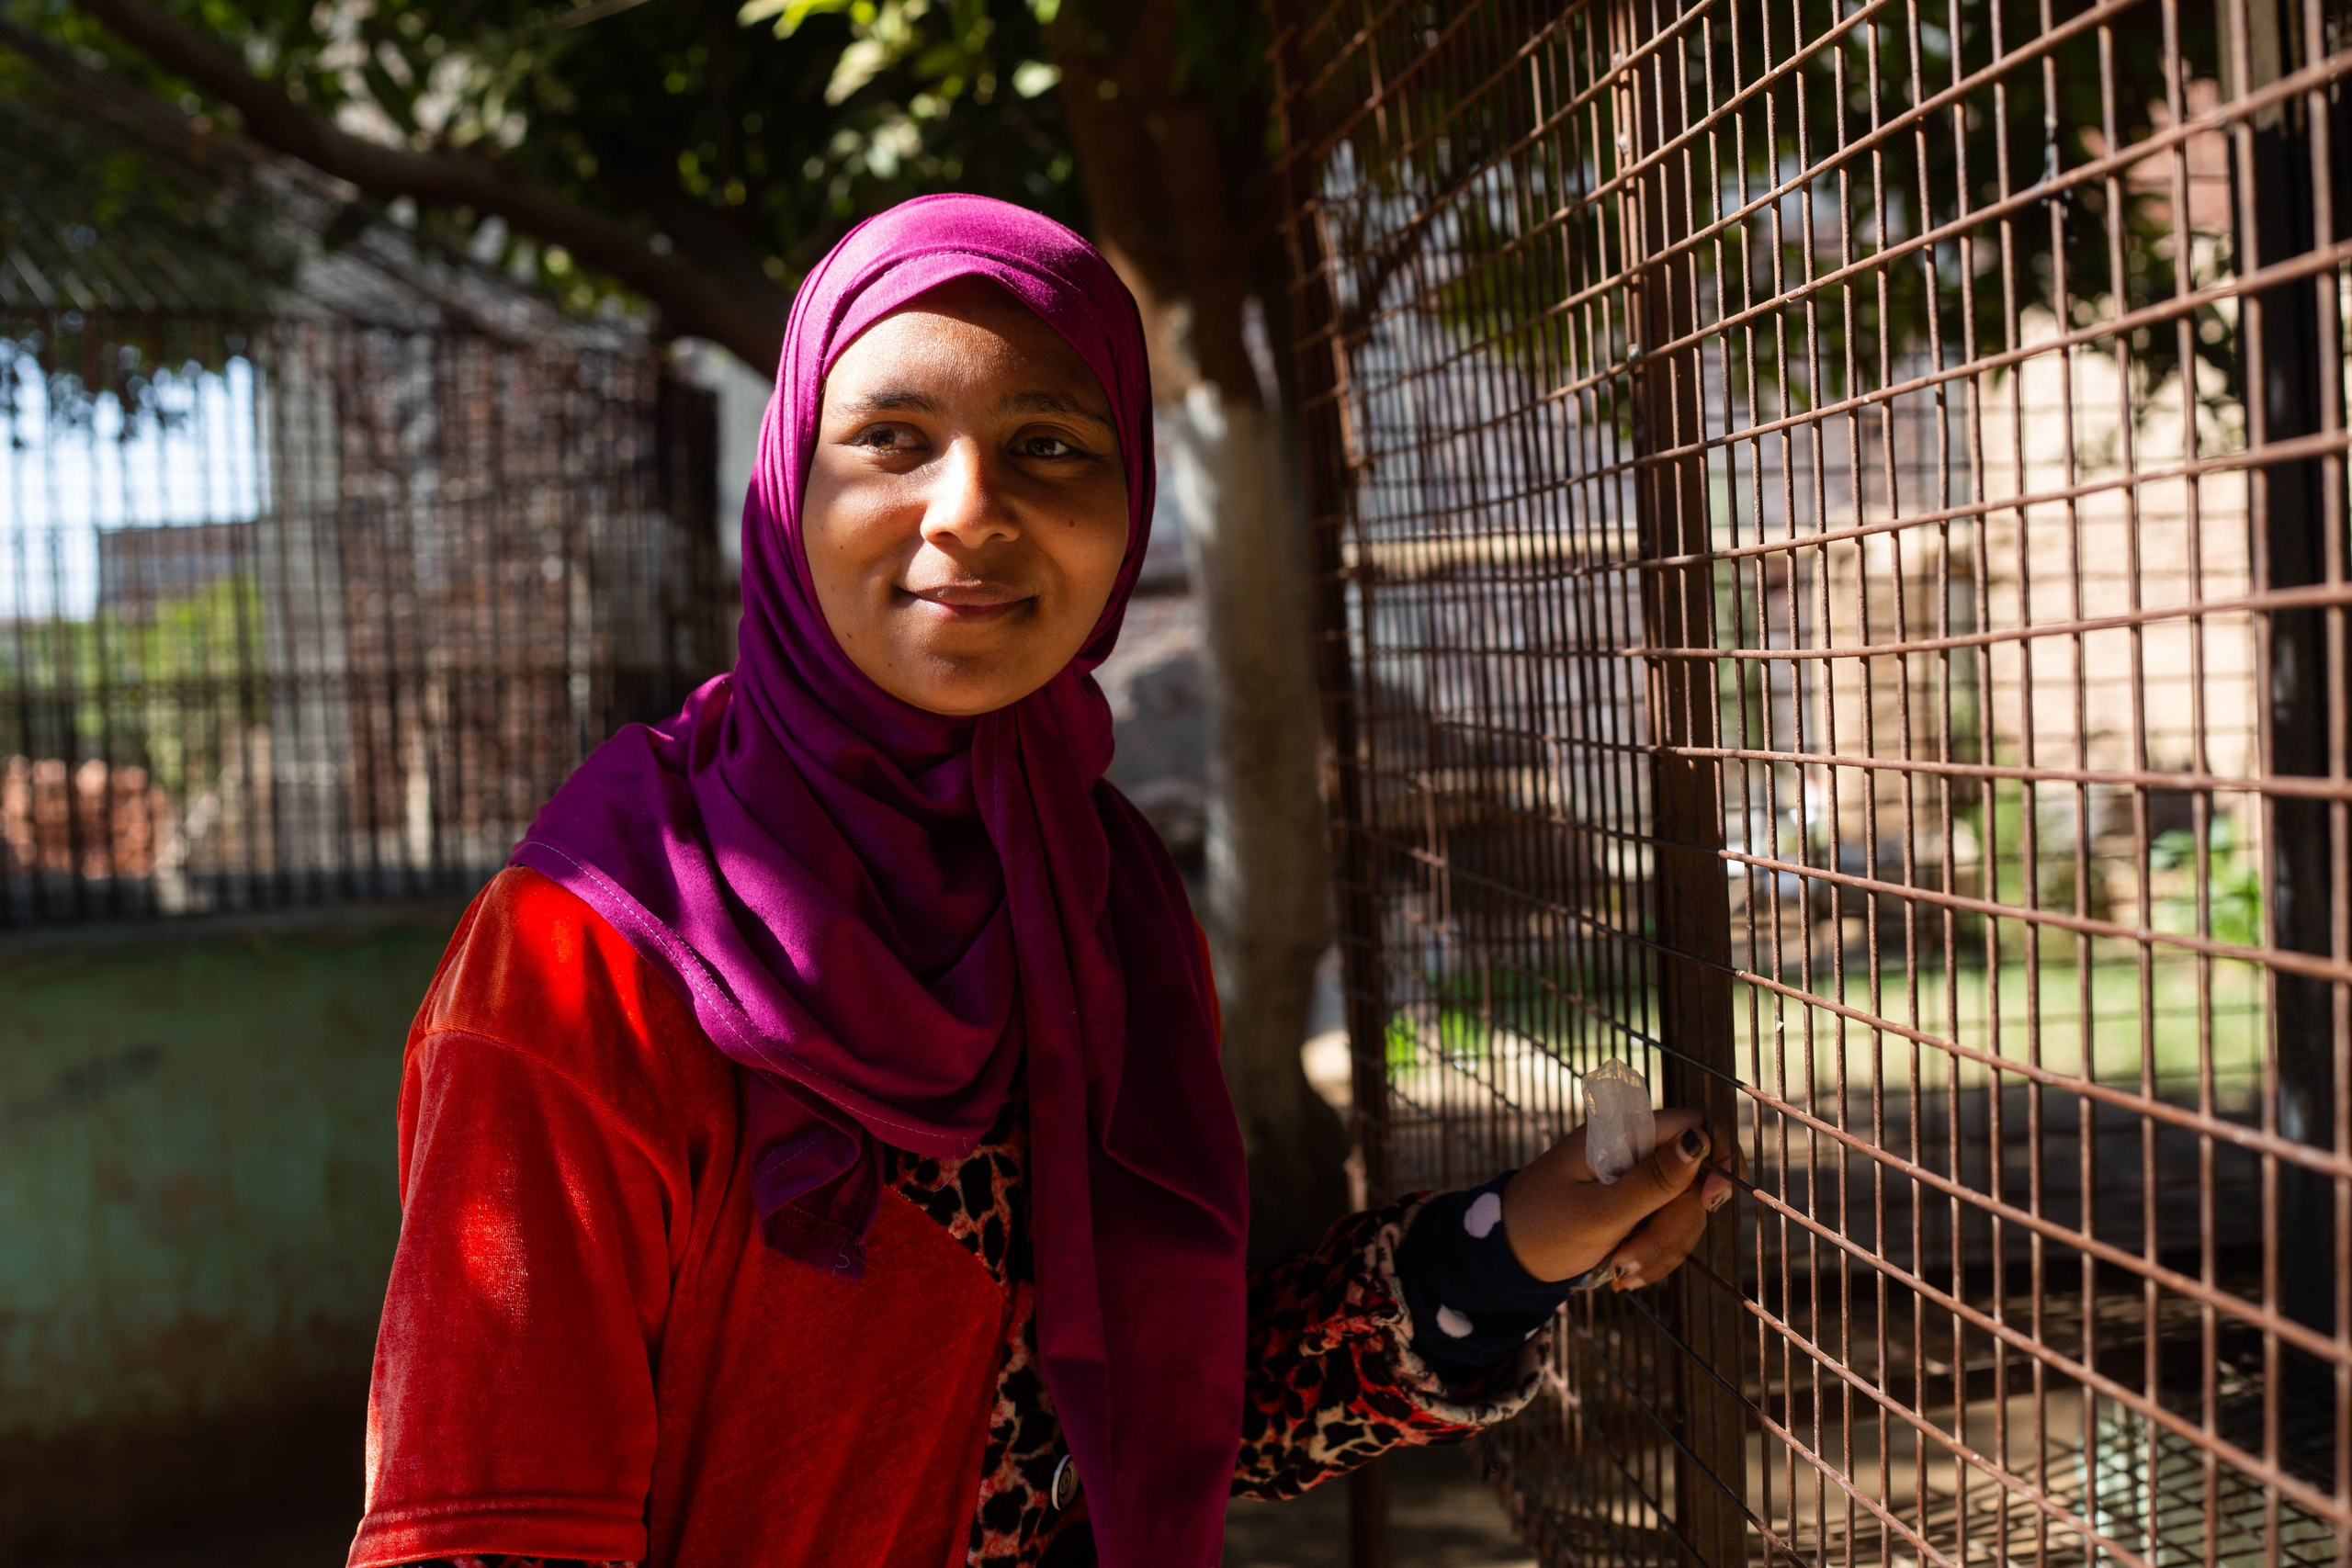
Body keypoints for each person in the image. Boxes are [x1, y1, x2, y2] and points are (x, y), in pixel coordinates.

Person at [347, 195, 1735, 1568]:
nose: (970, 513)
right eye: (891, 441)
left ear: (1126, 513)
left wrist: (1508, 1247)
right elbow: (484, 1534)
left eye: (1050, 446)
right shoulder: (592, 953)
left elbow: (1155, 1405)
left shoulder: (1098, 896)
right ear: (786, 486)